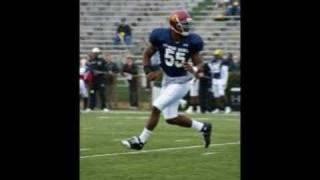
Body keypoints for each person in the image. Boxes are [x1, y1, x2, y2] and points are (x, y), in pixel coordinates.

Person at [121, 10, 212, 150]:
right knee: (171, 118)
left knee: (156, 107)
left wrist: (193, 69)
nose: (187, 28)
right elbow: (147, 54)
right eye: (184, 25)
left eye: (188, 25)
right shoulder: (161, 36)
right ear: (175, 25)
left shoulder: (192, 41)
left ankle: (140, 141)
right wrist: (147, 71)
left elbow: (200, 64)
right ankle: (203, 127)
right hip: (168, 80)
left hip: (182, 81)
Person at [208, 49, 231, 114]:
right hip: (214, 80)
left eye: (217, 55)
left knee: (222, 94)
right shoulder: (212, 62)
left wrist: (225, 82)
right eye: (215, 55)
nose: (215, 56)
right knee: (216, 95)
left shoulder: (224, 62)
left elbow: (225, 73)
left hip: (221, 80)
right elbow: (212, 71)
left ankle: (227, 107)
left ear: (220, 55)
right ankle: (218, 108)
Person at [87, 48, 110, 112]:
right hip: (93, 80)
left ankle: (104, 107)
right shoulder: (90, 61)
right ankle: (91, 107)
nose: (94, 54)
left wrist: (99, 72)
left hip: (100, 80)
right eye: (94, 53)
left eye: (96, 53)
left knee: (102, 93)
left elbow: (106, 71)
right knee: (92, 93)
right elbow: (89, 70)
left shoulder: (102, 61)